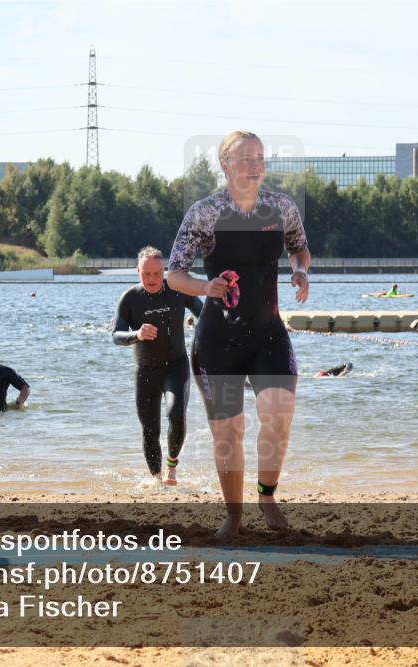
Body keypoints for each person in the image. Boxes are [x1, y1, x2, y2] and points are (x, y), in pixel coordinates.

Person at [167, 130, 310, 539]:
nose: (254, 165)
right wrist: (204, 287)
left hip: (268, 333)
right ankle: (234, 514)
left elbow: (300, 247)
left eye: (260, 157)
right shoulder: (205, 213)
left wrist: (301, 271)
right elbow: (175, 274)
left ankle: (267, 495)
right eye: (245, 158)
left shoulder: (281, 208)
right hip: (218, 340)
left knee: (279, 415)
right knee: (229, 432)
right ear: (225, 164)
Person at [113, 247, 204, 485]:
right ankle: (157, 480)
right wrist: (137, 334)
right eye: (146, 274)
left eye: (156, 273)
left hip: (176, 366)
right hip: (145, 372)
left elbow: (202, 312)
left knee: (176, 414)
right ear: (138, 271)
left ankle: (172, 465)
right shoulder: (130, 298)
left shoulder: (177, 289)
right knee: (149, 430)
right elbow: (116, 335)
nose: (152, 279)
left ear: (164, 270)